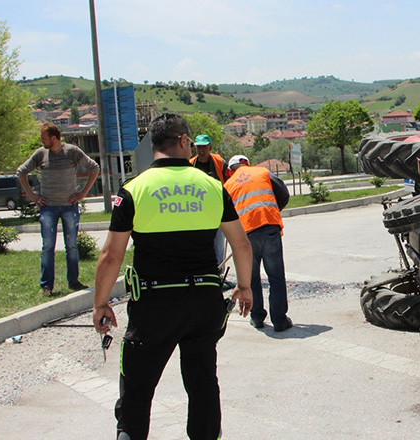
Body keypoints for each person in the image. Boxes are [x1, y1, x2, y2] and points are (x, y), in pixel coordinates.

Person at [92, 114, 253, 440]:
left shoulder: (134, 189)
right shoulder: (212, 187)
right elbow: (241, 245)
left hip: (153, 306)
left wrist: (100, 304)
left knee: (137, 391)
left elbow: (111, 256)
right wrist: (244, 286)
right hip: (202, 304)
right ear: (183, 141)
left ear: (154, 145)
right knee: (202, 383)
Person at [17, 123, 100, 297]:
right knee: (48, 246)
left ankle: (74, 281)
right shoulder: (41, 154)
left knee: (71, 245)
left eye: (44, 137)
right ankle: (47, 286)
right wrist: (32, 195)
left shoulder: (72, 152)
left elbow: (94, 167)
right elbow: (21, 172)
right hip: (48, 207)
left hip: (69, 206)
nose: (41, 140)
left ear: (54, 138)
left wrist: (82, 192)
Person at [224, 154, 293, 331]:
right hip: (269, 227)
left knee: (251, 278)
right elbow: (283, 193)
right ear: (246, 164)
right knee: (276, 276)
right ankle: (279, 320)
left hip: (246, 234)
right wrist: (273, 210)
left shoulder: (228, 185)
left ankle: (256, 317)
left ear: (230, 170)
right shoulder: (262, 172)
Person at [190, 134, 230, 265]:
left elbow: (229, 184)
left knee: (218, 244)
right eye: (199, 147)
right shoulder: (190, 164)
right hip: (197, 210)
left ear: (210, 147)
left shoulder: (219, 162)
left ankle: (218, 274)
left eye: (204, 147)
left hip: (217, 209)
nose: (201, 151)